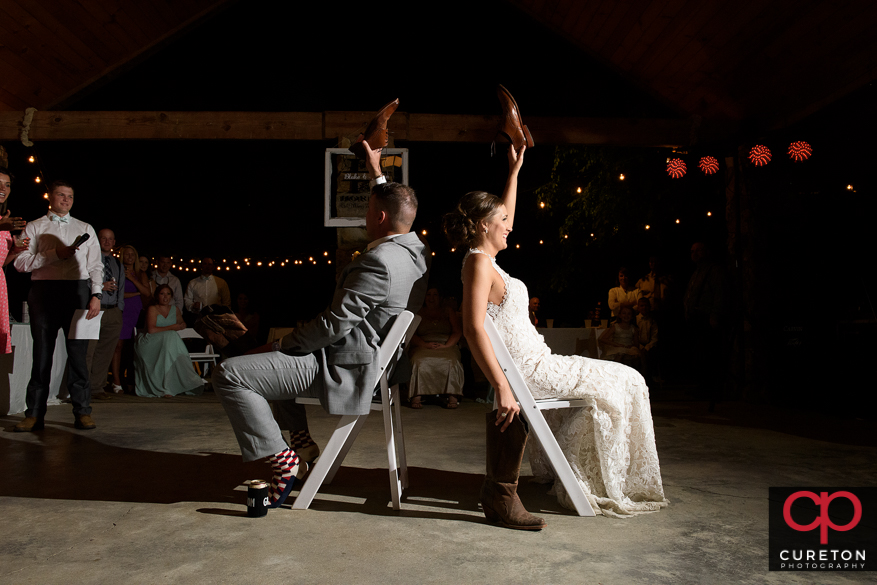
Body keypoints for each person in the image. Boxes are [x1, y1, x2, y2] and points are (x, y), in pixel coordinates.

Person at [443, 144, 667, 525]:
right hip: (531, 372)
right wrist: (501, 386)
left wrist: (515, 171)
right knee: (629, 378)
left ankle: (586, 472)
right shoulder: (478, 265)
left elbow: (505, 213)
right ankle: (595, 479)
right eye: (502, 221)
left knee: (624, 379)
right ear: (484, 226)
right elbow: (472, 326)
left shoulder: (486, 260)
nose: (510, 224)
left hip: (541, 364)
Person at [214, 141, 428, 509]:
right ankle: (301, 441)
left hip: (346, 366)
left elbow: (332, 325)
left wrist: (283, 345)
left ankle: (283, 460)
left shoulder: (378, 261)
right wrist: (376, 170)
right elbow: (395, 206)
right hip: (375, 361)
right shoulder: (416, 253)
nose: (364, 216)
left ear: (378, 217)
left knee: (231, 373)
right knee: (271, 359)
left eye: (368, 210)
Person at [12, 180, 103, 431]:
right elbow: (20, 263)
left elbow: (96, 265)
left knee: (77, 357)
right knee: (42, 355)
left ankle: (82, 411)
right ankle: (34, 414)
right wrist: (54, 255)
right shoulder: (35, 226)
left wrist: (96, 294)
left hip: (78, 292)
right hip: (44, 292)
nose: (65, 200)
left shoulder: (85, 227)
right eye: (61, 195)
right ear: (50, 197)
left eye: (70, 196)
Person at [134, 284, 204, 398]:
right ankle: (164, 387)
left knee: (170, 337)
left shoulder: (174, 309)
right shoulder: (153, 309)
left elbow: (182, 323)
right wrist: (172, 327)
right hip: (150, 342)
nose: (165, 297)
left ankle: (175, 383)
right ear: (157, 296)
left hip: (167, 343)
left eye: (168, 294)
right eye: (162, 294)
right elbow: (151, 330)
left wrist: (181, 325)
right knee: (170, 335)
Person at [683, 241, 728, 405]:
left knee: (709, 353)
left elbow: (719, 293)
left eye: (698, 250)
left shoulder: (714, 271)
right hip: (696, 317)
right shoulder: (697, 272)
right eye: (692, 251)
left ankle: (711, 388)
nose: (695, 254)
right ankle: (702, 385)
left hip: (706, 317)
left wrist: (715, 315)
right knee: (700, 353)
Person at [408, 286, 464, 409]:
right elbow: (412, 334)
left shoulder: (448, 311)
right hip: (423, 345)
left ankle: (452, 395)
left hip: (446, 345)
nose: (431, 298)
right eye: (429, 295)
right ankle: (417, 394)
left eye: (435, 295)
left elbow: (457, 332)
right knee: (419, 361)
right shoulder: (419, 311)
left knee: (451, 361)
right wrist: (424, 344)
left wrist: (446, 346)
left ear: (440, 298)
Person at [86, 229, 126, 397]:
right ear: (98, 240)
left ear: (114, 242)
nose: (107, 242)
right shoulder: (90, 259)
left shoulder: (117, 263)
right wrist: (100, 287)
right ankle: (83, 387)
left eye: (110, 239)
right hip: (95, 309)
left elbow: (121, 287)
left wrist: (120, 309)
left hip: (113, 311)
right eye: (104, 238)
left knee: (105, 351)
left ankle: (97, 387)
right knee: (89, 350)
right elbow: (83, 281)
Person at [112, 244, 151, 392]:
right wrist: (136, 294)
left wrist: (133, 280)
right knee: (118, 346)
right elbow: (116, 294)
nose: (129, 257)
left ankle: (133, 381)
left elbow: (147, 293)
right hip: (122, 311)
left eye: (132, 254)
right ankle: (116, 381)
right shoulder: (117, 270)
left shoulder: (140, 273)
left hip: (136, 313)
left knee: (133, 349)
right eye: (127, 254)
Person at [0, 167, 29, 354]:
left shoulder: (4, 221)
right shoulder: (2, 223)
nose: (4, 187)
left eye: (7, 184)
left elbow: (2, 263)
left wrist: (16, 250)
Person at [184, 257, 231, 324]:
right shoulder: (193, 283)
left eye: (210, 264)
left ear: (213, 267)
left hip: (216, 319)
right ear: (201, 266)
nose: (207, 266)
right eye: (205, 264)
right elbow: (187, 299)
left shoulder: (221, 282)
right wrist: (193, 305)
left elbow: (226, 302)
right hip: (198, 319)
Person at [599, 305, 642, 370]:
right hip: (617, 347)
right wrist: (617, 344)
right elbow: (603, 339)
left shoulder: (633, 328)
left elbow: (636, 343)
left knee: (635, 356)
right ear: (620, 315)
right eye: (624, 313)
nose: (626, 316)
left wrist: (631, 346)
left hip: (628, 348)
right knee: (620, 354)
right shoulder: (616, 327)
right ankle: (614, 372)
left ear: (632, 316)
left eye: (629, 314)